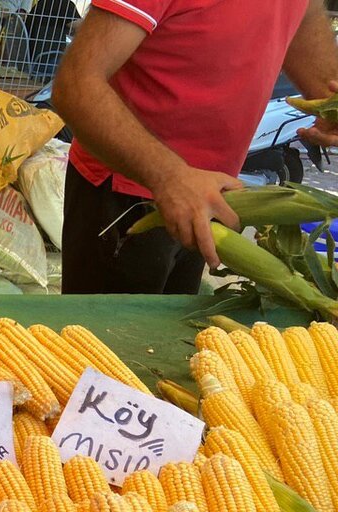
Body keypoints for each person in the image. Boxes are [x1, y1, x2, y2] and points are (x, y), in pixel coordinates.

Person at [52, 0, 338, 294]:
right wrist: (170, 176)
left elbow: (302, 13)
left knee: (171, 333)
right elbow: (76, 84)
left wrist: (332, 105)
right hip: (130, 195)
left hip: (211, 194)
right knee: (110, 336)